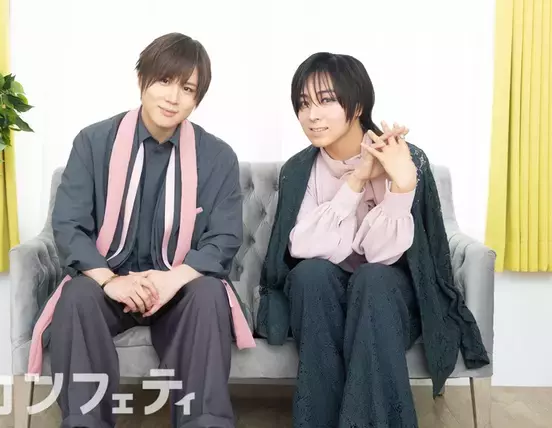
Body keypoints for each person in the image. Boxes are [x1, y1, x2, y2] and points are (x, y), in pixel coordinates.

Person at [26, 32, 256, 428]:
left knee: (208, 294)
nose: (173, 97)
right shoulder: (93, 142)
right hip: (110, 282)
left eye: (187, 88)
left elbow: (224, 237)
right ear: (141, 80)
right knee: (78, 296)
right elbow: (69, 224)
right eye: (164, 80)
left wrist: (173, 280)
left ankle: (205, 422)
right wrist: (110, 281)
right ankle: (85, 422)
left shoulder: (217, 156)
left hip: (178, 287)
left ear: (197, 99)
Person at [256, 52, 490, 427]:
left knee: (373, 277)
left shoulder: (404, 158)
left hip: (388, 296)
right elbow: (302, 247)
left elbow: (382, 255)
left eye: (326, 100)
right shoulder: (301, 169)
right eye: (303, 104)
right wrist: (356, 181)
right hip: (324, 296)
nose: (312, 115)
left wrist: (402, 187)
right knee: (309, 275)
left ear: (358, 105)